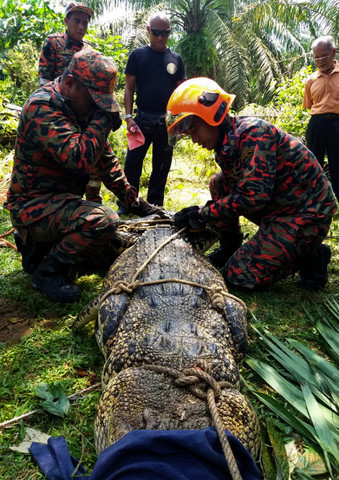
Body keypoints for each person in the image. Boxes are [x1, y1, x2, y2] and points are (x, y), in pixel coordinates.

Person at [4, 50, 162, 303]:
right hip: (34, 208)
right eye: (93, 100)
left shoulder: (80, 112)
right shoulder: (41, 106)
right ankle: (47, 271)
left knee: (111, 253)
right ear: (69, 84)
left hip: (61, 206)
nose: (96, 108)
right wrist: (102, 118)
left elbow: (108, 165)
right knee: (105, 220)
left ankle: (38, 250)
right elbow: (78, 158)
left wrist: (141, 206)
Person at [166, 77, 337, 292]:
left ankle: (311, 256)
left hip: (307, 214)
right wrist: (206, 214)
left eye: (194, 130)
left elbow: (253, 197)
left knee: (237, 275)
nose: (194, 140)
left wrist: (203, 214)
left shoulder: (252, 134)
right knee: (219, 183)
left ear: (211, 117)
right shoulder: (227, 143)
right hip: (280, 208)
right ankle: (230, 246)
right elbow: (240, 190)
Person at [117, 12, 186, 214]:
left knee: (162, 166)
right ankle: (127, 204)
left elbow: (180, 92)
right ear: (148, 30)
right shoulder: (137, 56)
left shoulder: (176, 59)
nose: (160, 37)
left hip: (166, 122)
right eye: (155, 32)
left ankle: (155, 206)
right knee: (132, 164)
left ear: (169, 33)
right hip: (141, 120)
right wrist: (128, 117)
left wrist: (179, 122)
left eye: (164, 33)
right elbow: (129, 88)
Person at [38, 2, 103, 203]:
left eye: (85, 22)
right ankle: (59, 201)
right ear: (66, 21)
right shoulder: (53, 43)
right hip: (58, 114)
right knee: (61, 160)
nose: (81, 27)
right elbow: (43, 80)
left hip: (84, 115)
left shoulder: (90, 50)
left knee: (93, 158)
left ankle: (92, 200)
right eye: (77, 21)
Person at [303, 35, 339, 202]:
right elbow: (310, 105)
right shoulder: (311, 80)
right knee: (313, 163)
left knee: (337, 165)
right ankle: (314, 202)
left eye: (324, 56)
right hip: (317, 124)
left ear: (333, 52)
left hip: (337, 124)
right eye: (316, 57)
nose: (320, 61)